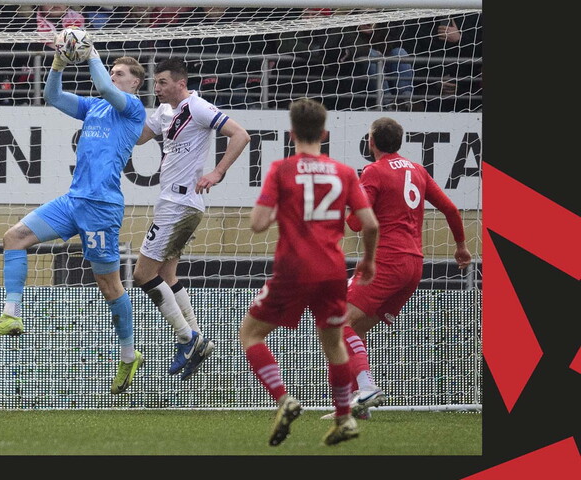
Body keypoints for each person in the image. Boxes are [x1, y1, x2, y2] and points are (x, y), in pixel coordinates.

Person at [0, 37, 148, 396]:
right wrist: (58, 63)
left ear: (135, 83)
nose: (113, 78)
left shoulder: (132, 109)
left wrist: (91, 51)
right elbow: (53, 97)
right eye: (112, 72)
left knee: (109, 286)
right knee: (14, 237)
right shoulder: (94, 108)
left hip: (101, 207)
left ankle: (129, 354)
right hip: (73, 200)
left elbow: (100, 83)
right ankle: (11, 314)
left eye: (121, 74)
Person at [239, 98, 379, 447]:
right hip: (332, 271)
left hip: (293, 269)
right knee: (334, 345)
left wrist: (275, 212)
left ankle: (283, 398)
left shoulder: (282, 169)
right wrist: (370, 261)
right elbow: (371, 224)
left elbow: (257, 224)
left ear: (291, 134)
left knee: (251, 334)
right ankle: (345, 418)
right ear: (325, 133)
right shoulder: (345, 172)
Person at [323, 117, 471, 420]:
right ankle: (354, 409)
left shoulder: (374, 172)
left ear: (372, 142)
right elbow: (451, 209)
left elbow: (356, 222)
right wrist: (461, 246)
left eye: (368, 137)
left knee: (336, 323)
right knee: (355, 329)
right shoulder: (417, 170)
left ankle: (366, 388)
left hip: (385, 261)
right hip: (414, 265)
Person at [134, 57, 250, 380]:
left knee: (142, 275)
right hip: (173, 202)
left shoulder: (197, 107)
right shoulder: (164, 112)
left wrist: (217, 172)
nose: (156, 88)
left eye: (163, 83)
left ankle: (188, 338)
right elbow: (140, 136)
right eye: (155, 83)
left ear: (181, 84)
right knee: (168, 274)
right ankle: (198, 337)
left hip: (180, 202)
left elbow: (240, 135)